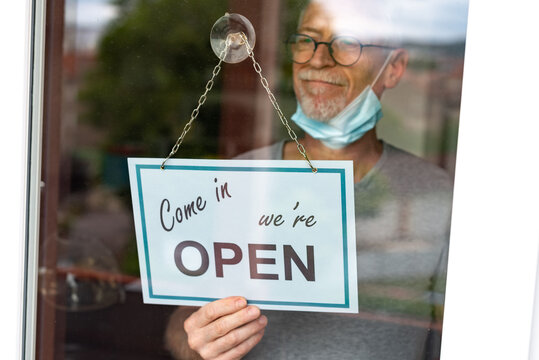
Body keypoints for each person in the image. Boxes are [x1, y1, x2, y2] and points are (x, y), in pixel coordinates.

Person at [165, 0, 453, 359]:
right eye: (307, 39)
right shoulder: (235, 182)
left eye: (347, 42)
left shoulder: (438, 193)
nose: (318, 60)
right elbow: (182, 323)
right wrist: (198, 342)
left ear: (393, 68)